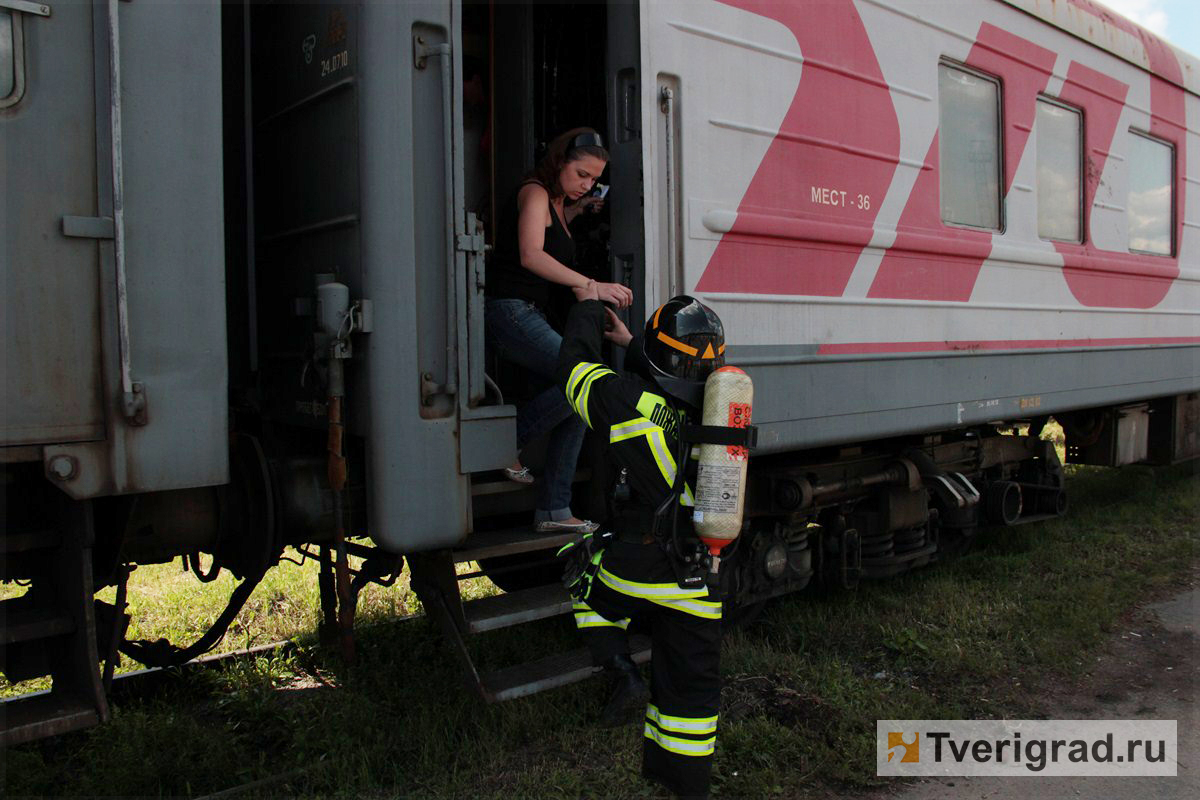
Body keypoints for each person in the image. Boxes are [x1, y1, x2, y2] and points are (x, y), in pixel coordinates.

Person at [556, 289, 728, 800]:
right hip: (703, 575)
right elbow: (674, 377)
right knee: (692, 693)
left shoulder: (622, 400)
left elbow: (572, 368)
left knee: (576, 568)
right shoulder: (719, 414)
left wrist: (588, 305)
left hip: (637, 567)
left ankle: (620, 668)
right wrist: (633, 343)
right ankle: (686, 786)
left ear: (654, 357)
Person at [484, 127, 633, 533]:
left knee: (582, 399)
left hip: (530, 312)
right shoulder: (533, 193)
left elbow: (554, 240)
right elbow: (531, 255)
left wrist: (580, 212)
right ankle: (507, 443)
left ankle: (553, 508)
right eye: (582, 175)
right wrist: (591, 285)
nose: (587, 185)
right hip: (510, 311)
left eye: (594, 180)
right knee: (587, 381)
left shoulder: (557, 205)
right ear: (560, 161)